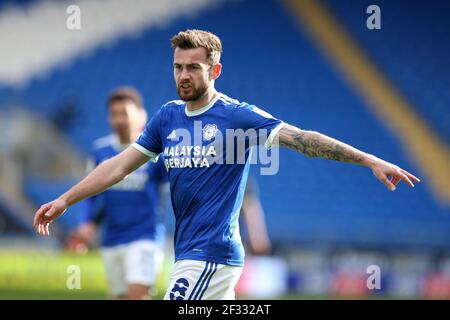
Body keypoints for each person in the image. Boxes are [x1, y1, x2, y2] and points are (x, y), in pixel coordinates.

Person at [33, 29, 420, 300]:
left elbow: (304, 140)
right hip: (190, 253)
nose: (183, 75)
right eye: (178, 67)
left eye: (193, 68)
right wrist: (66, 198)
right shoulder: (167, 117)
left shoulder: (237, 116)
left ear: (214, 71)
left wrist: (369, 159)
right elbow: (119, 166)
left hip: (211, 254)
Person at [67, 87, 168, 299]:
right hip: (112, 238)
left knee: (137, 295)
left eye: (125, 113)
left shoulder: (155, 153)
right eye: (114, 114)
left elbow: (174, 190)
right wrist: (86, 222)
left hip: (145, 237)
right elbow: (91, 193)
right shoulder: (100, 151)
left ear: (141, 116)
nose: (119, 120)